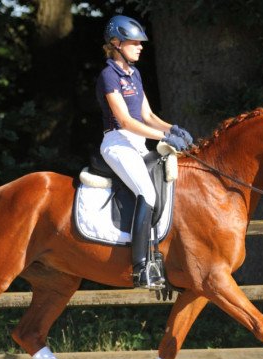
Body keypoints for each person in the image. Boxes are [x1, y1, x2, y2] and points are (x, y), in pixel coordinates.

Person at [96, 15, 193, 289]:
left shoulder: (134, 74)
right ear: (116, 44)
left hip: (138, 141)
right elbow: (126, 121)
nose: (140, 47)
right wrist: (165, 136)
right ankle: (140, 266)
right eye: (134, 42)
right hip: (117, 142)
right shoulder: (108, 75)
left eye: (141, 43)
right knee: (147, 192)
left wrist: (174, 128)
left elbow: (147, 115)